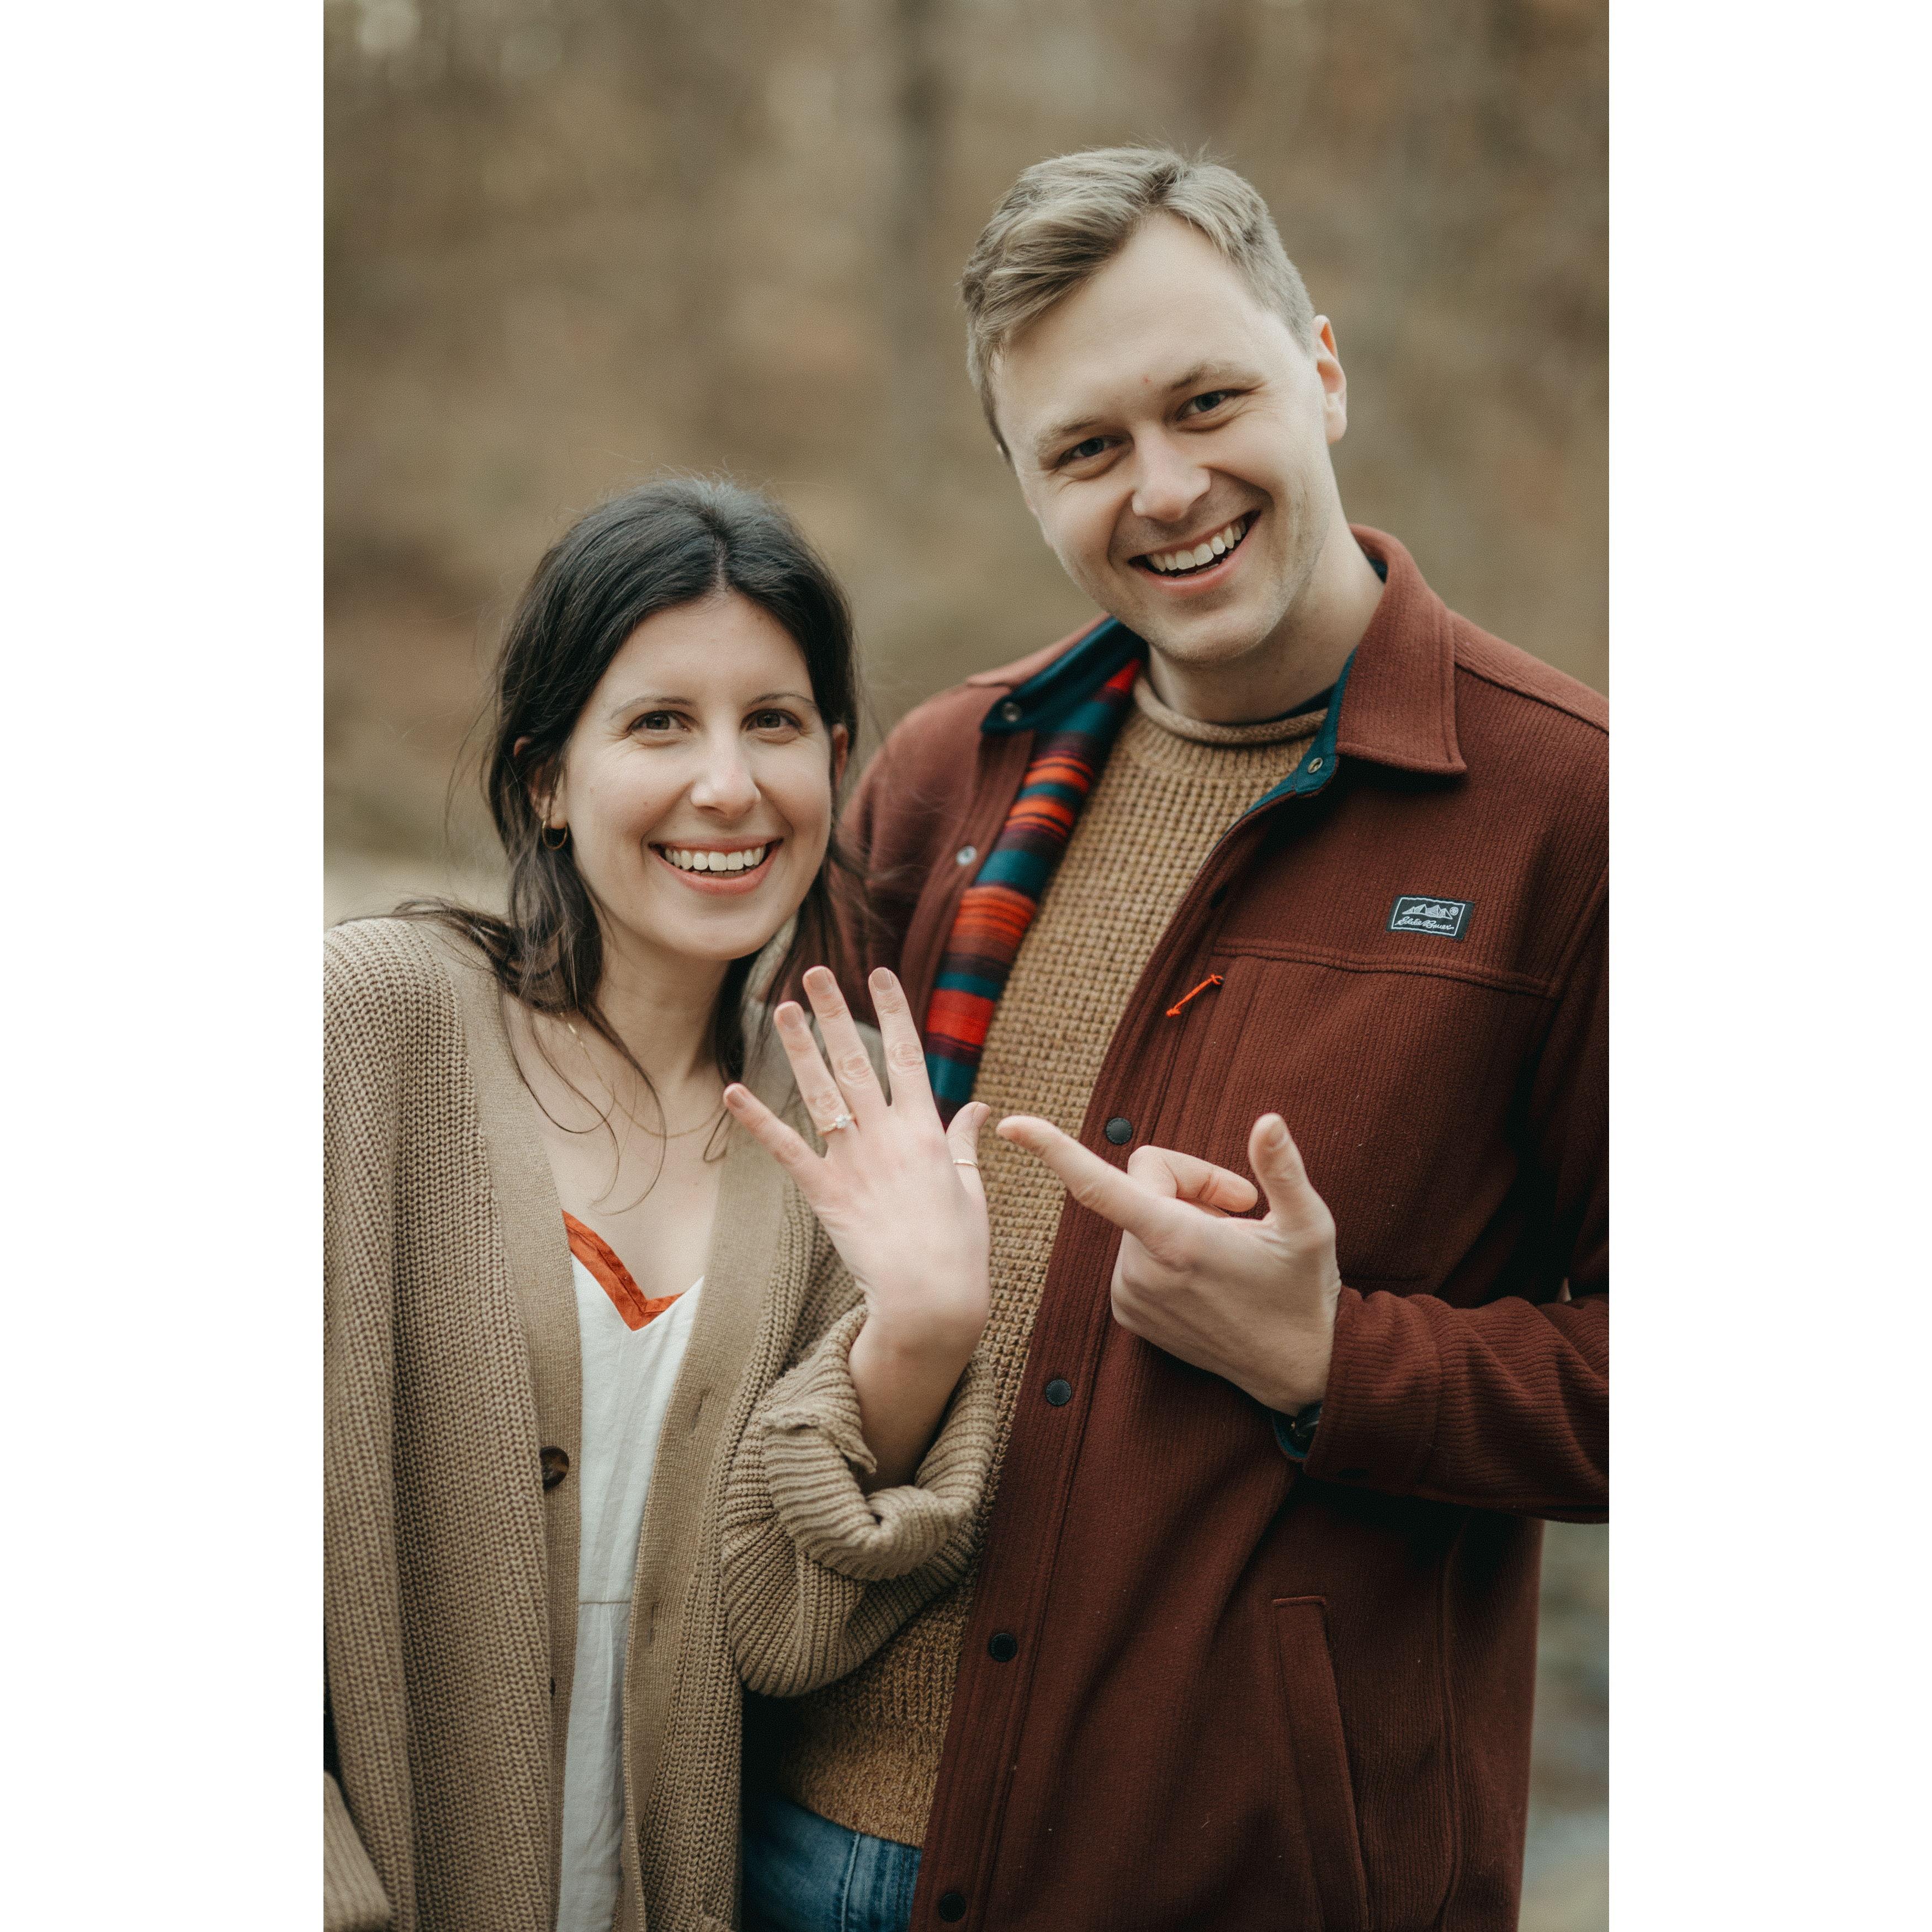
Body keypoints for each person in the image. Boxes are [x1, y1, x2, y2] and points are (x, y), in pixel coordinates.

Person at [729, 149, 1607, 1929]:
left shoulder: (1573, 817)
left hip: (1220, 1872)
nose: (1166, 486)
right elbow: (761, 1248)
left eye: (1207, 402)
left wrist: (1335, 1356)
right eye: (1084, 448)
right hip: (794, 1835)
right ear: (1025, 485)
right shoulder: (946, 775)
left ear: (1322, 369)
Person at [323, 477, 1002, 1932]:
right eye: (658, 724)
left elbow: (784, 1630)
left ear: (834, 762)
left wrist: (922, 1338)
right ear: (545, 777)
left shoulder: (843, 1122)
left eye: (775, 723)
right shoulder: (370, 1028)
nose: (728, 786)